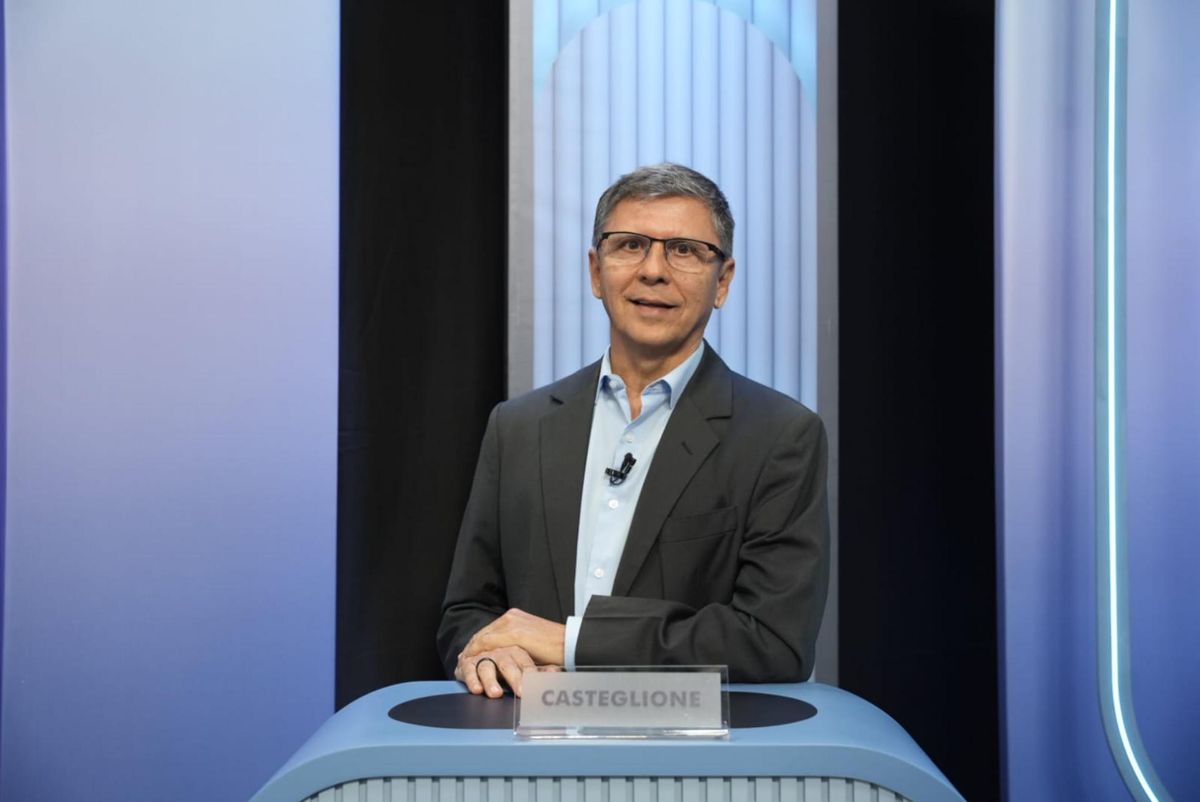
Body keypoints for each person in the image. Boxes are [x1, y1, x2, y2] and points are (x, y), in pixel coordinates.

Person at [438, 163, 829, 698]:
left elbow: (774, 642)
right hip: (527, 736)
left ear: (723, 281)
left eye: (685, 250)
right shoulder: (518, 427)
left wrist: (572, 643)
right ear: (596, 272)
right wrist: (488, 654)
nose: (653, 270)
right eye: (630, 245)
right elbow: (467, 613)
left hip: (691, 746)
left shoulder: (781, 437)